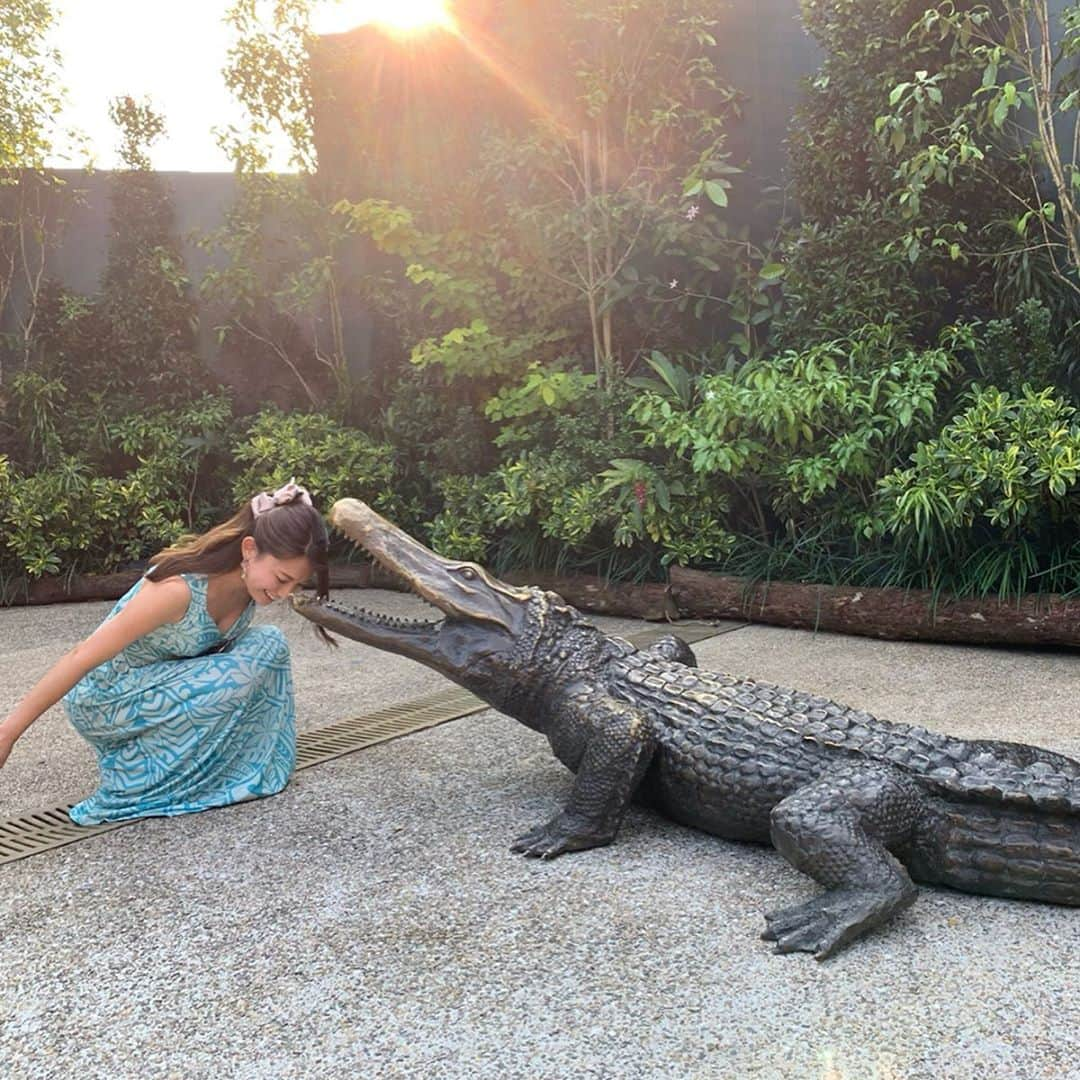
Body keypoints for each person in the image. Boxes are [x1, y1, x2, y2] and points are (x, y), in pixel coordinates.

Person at [0, 479, 332, 824]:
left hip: (163, 685)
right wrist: (9, 732)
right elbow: (81, 655)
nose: (284, 593)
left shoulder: (249, 589)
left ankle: (239, 768)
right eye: (281, 578)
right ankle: (137, 782)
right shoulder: (179, 591)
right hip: (105, 697)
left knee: (271, 645)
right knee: (232, 674)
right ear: (249, 550)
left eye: (296, 583)